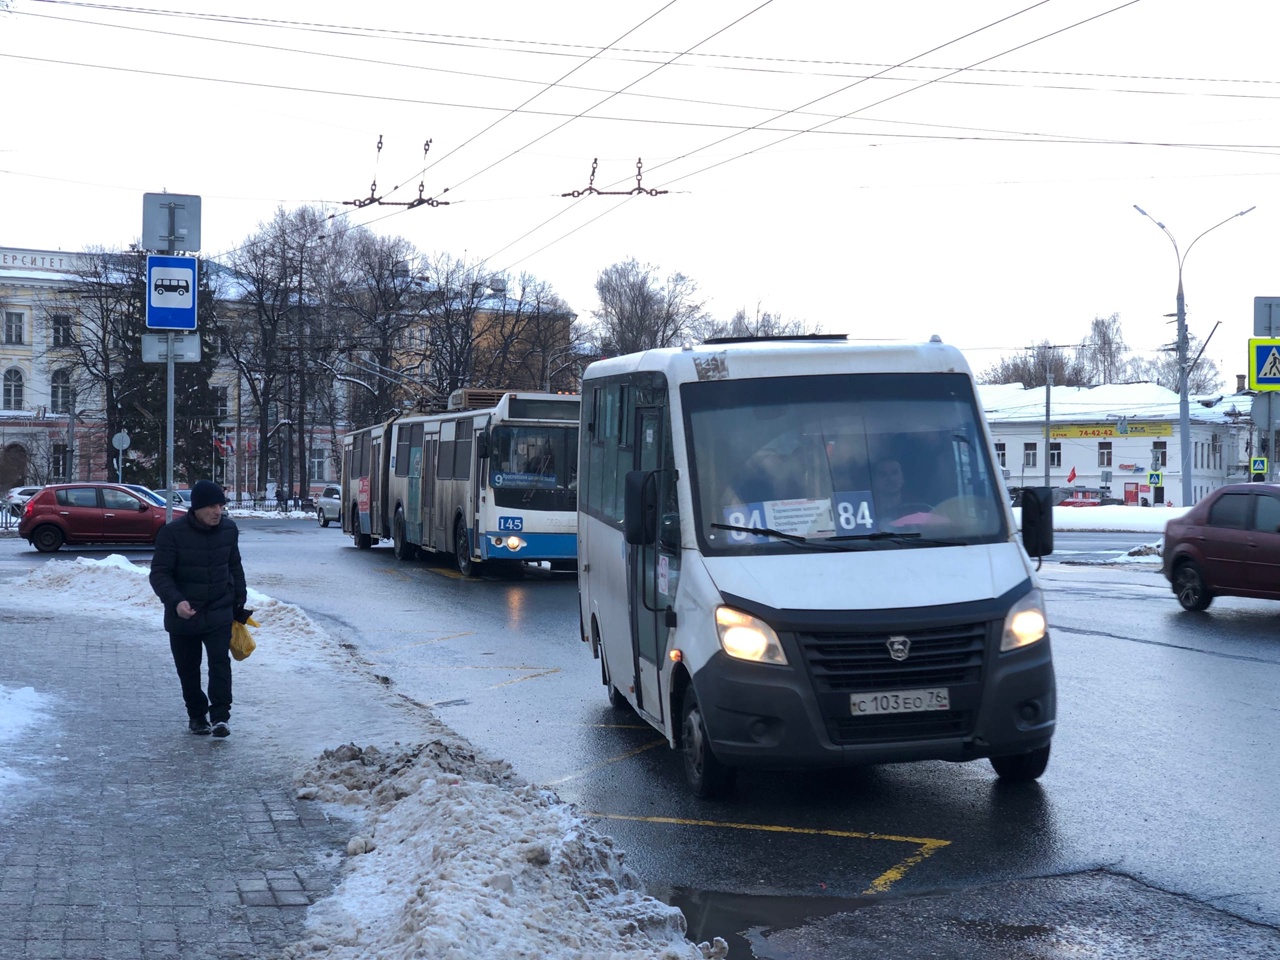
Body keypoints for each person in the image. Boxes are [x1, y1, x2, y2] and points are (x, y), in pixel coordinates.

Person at [149, 480, 248, 738]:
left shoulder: (229, 529)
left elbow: (234, 566)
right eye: (213, 506)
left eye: (221, 506)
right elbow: (160, 574)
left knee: (219, 664)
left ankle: (220, 717)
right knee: (188, 669)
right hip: (184, 614)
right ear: (198, 508)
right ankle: (196, 716)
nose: (218, 511)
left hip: (218, 610)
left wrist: (239, 598)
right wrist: (176, 601)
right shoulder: (171, 534)